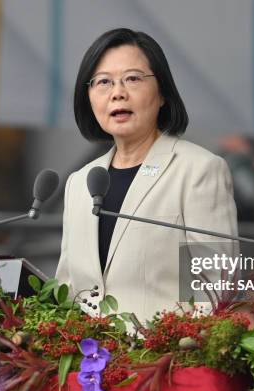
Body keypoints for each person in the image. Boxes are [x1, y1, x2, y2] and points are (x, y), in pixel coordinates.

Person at [56, 28, 238, 322]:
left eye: (133, 79)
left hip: (164, 361)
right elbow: (67, 289)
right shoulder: (80, 183)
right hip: (89, 363)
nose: (118, 93)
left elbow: (216, 291)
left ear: (163, 92)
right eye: (103, 82)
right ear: (88, 96)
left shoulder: (198, 170)